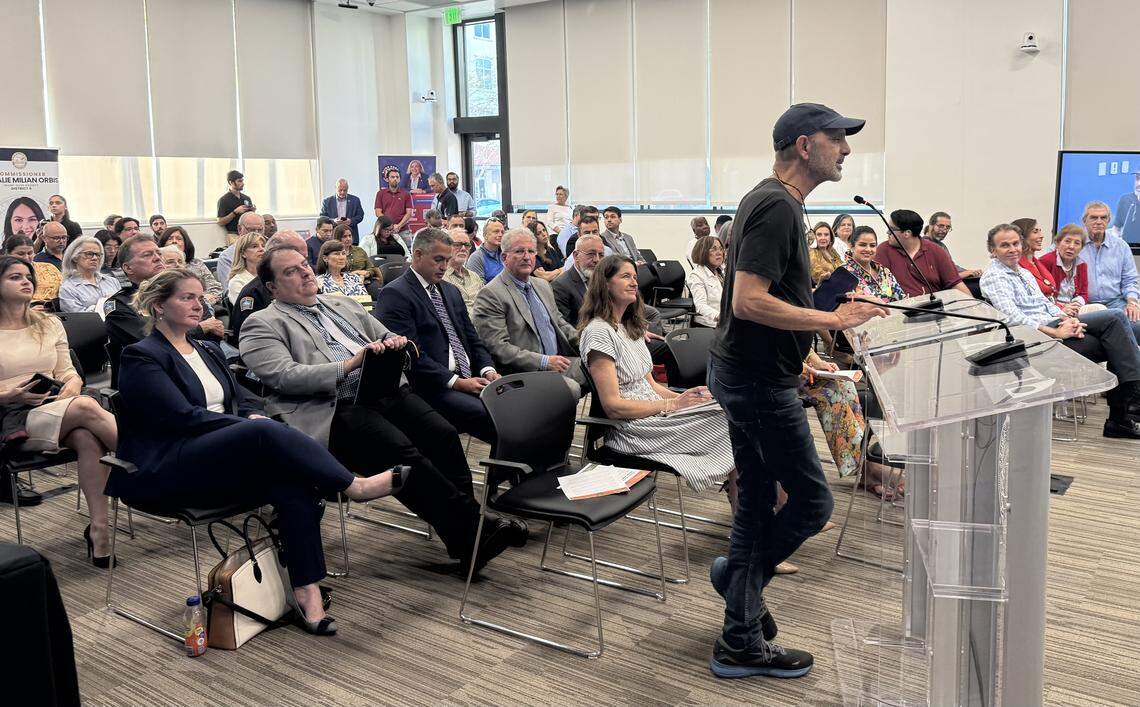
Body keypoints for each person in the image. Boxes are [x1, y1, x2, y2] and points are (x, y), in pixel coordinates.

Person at [115, 268, 401, 634]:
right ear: (158, 306)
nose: (198, 304)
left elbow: (242, 395)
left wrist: (250, 414)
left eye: (200, 297)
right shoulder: (141, 356)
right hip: (175, 462)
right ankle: (353, 486)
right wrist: (251, 428)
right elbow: (181, 417)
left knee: (294, 481)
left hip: (224, 452)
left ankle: (306, 591)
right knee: (267, 433)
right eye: (186, 297)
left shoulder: (207, 347)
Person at [707, 102, 886, 679]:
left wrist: (803, 351)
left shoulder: (776, 200)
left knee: (758, 504)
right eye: (838, 138)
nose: (847, 149)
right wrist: (835, 321)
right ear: (805, 145)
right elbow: (748, 301)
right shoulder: (778, 205)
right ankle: (741, 590)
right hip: (756, 383)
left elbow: (773, 299)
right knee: (813, 503)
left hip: (758, 372)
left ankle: (739, 615)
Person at [239, 247, 523, 575]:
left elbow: (385, 334)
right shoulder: (260, 324)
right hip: (331, 410)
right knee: (403, 454)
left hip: (383, 391)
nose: (305, 273)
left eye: (304, 265)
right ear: (272, 287)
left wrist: (394, 344)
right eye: (290, 271)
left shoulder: (340, 304)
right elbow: (285, 376)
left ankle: (467, 534)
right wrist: (350, 364)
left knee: (443, 435)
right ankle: (474, 532)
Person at [579, 255, 736, 498]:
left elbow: (651, 385)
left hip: (656, 414)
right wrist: (673, 404)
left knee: (732, 411)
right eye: (625, 276)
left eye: (634, 277)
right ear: (605, 284)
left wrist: (685, 399)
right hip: (632, 429)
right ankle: (749, 519)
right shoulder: (599, 333)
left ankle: (748, 511)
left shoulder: (630, 328)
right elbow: (612, 407)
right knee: (732, 424)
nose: (634, 282)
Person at [0, 255, 117, 558]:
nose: (26, 281)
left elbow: (66, 370)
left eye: (28, 276)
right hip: (9, 417)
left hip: (54, 406)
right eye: (15, 277)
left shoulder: (48, 323)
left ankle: (99, 531)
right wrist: (7, 396)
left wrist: (72, 384)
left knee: (87, 437)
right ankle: (154, 459)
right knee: (86, 409)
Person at [981, 223, 1140, 438]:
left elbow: (1046, 305)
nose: (1012, 249)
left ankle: (1124, 413)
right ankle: (1125, 411)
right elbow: (1012, 318)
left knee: (1123, 335)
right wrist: (1055, 331)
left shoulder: (1024, 273)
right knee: (1116, 321)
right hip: (1039, 338)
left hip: (1057, 323)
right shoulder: (995, 276)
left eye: (1016, 243)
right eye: (1004, 245)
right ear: (993, 250)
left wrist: (1068, 320)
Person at [375, 228, 499, 442]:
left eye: (447, 260)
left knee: (518, 405)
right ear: (418, 255)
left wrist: (488, 369)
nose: (444, 267)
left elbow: (472, 339)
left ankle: (515, 467)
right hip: (432, 386)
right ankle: (513, 468)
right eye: (438, 259)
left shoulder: (451, 291)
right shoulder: (395, 294)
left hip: (469, 377)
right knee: (495, 414)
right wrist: (456, 382)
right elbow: (411, 356)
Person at [472, 227, 586, 396]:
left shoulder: (542, 285)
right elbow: (498, 347)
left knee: (604, 368)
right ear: (504, 257)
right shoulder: (491, 294)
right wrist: (544, 361)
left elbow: (560, 323)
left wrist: (588, 343)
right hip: (523, 372)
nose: (526, 257)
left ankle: (599, 422)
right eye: (519, 251)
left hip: (558, 361)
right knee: (571, 389)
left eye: (531, 251)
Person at [106, 236, 225, 386]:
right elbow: (148, 339)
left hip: (199, 367)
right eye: (147, 255)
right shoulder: (120, 304)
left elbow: (213, 333)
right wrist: (201, 328)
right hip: (152, 379)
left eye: (158, 253)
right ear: (128, 268)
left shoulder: (184, 293)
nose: (157, 258)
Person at [227, 231, 308, 348]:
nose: (261, 249)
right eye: (254, 246)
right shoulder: (251, 291)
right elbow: (250, 332)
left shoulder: (300, 282)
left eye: (304, 263)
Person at [874, 209, 971, 298]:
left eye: (891, 229)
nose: (887, 232)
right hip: (898, 311)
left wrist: (975, 308)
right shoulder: (883, 250)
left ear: (907, 233)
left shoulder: (936, 251)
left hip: (934, 310)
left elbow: (956, 284)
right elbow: (879, 288)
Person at [1079, 201, 1140, 341]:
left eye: (1103, 218)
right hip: (1086, 306)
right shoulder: (1074, 243)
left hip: (1116, 303)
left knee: (1137, 326)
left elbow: (1130, 280)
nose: (1099, 222)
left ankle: (1123, 363)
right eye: (1094, 218)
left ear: (1109, 220)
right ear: (1084, 221)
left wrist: (1132, 303)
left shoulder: (1121, 246)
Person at [1037, 225, 1102, 316]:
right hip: (1053, 309)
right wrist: (1061, 307)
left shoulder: (1082, 265)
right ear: (1058, 243)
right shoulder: (1045, 261)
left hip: (1074, 307)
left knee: (1101, 310)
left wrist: (1076, 304)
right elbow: (1041, 295)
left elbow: (1083, 293)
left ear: (1081, 247)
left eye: (1077, 243)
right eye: (1067, 241)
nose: (1071, 246)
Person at [158, 226, 223, 304]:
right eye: (170, 239)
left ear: (185, 244)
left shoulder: (196, 263)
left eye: (179, 239)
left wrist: (202, 301)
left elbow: (216, 288)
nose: (174, 241)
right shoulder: (158, 265)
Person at [840, 226, 907, 302]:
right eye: (862, 245)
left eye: (872, 245)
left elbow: (902, 299)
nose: (868, 249)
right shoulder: (842, 273)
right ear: (851, 246)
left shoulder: (884, 271)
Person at [58, 236, 121, 312]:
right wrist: (105, 304)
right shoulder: (68, 289)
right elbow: (80, 318)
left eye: (98, 254)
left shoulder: (113, 281)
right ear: (75, 257)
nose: (95, 258)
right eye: (89, 254)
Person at [4, 236, 61, 305]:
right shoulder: (3, 274)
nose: (26, 257)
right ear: (8, 254)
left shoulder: (49, 268)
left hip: (52, 310)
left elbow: (64, 293)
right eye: (21, 254)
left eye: (30, 253)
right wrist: (29, 310)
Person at [923, 211, 982, 278]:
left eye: (947, 227)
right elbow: (939, 277)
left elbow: (951, 267)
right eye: (941, 226)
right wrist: (964, 274)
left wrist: (971, 272)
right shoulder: (925, 246)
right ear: (931, 225)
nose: (944, 230)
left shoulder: (941, 245)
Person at [1012, 217, 1057, 300]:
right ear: (1021, 237)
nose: (1042, 236)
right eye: (1035, 232)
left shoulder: (1037, 263)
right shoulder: (1015, 266)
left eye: (1040, 231)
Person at [215, 212, 264, 285]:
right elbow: (228, 289)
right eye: (251, 230)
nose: (256, 234)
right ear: (239, 229)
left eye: (260, 230)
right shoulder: (226, 257)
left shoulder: (267, 251)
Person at [687, 236, 725, 328]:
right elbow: (700, 306)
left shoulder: (721, 271)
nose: (719, 253)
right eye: (714, 249)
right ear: (703, 252)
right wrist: (721, 317)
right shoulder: (696, 275)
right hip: (710, 324)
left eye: (721, 249)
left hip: (726, 320)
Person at [442, 225, 482, 312]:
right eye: (457, 244)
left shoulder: (475, 276)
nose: (463, 249)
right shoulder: (440, 277)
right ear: (446, 247)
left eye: (467, 245)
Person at [375, 167, 414, 247]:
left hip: (403, 230)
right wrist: (389, 226)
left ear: (399, 179)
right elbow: (378, 212)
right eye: (392, 177)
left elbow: (409, 213)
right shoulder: (380, 193)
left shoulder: (406, 194)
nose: (395, 179)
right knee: (386, 254)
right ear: (387, 179)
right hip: (385, 231)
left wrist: (398, 226)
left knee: (407, 255)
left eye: (397, 177)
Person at [319, 179, 365, 244]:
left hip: (351, 235)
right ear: (336, 188)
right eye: (340, 190)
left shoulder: (355, 200)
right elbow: (322, 218)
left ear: (347, 189)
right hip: (333, 236)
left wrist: (351, 221)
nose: (342, 192)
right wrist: (333, 221)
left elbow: (360, 216)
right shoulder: (327, 201)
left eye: (345, 190)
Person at [226, 232, 266, 306]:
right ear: (243, 253)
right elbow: (247, 310)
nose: (261, 249)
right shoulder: (237, 282)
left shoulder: (272, 275)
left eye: (263, 246)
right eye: (254, 246)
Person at [216, 170, 255, 240]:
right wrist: (235, 212)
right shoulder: (223, 200)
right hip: (233, 234)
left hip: (249, 233)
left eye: (242, 181)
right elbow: (220, 222)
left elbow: (250, 217)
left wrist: (253, 212)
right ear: (231, 182)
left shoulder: (246, 198)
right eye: (239, 181)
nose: (243, 183)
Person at [465, 216, 505, 284]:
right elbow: (480, 289)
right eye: (496, 231)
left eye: (502, 232)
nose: (500, 235)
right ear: (485, 235)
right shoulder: (476, 258)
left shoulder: (506, 254)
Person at [808, 222, 842, 286]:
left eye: (826, 235)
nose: (823, 238)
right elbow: (817, 276)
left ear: (830, 237)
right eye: (819, 235)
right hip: (822, 289)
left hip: (838, 287)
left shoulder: (832, 251)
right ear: (814, 237)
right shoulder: (812, 252)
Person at [1112, 169, 1140, 243]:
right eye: (1137, 179)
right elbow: (1116, 228)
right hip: (1127, 249)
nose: (1139, 183)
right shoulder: (1125, 199)